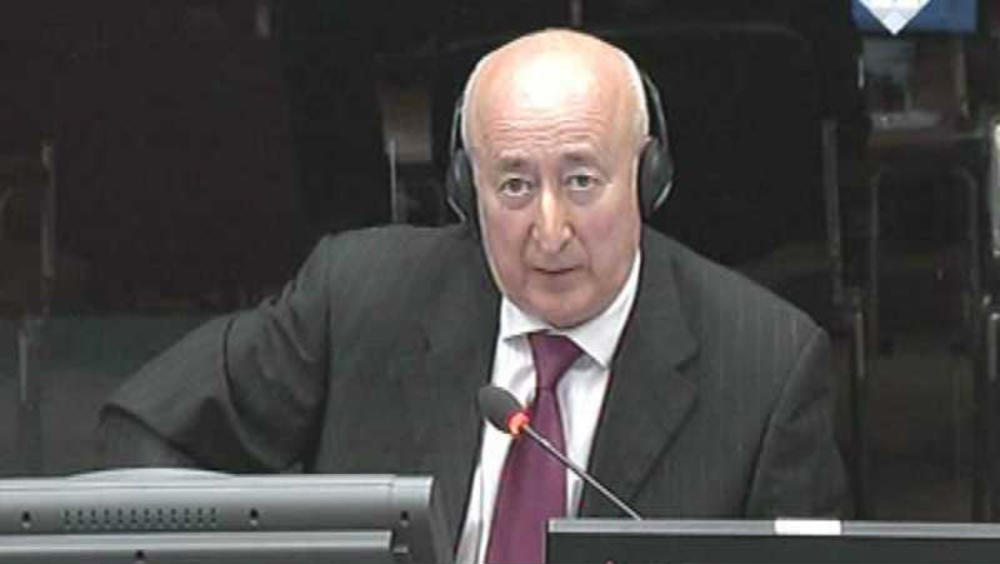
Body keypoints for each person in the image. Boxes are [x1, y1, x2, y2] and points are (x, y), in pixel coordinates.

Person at [100, 29, 849, 564]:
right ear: (466, 191)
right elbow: (149, 427)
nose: (549, 230)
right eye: (515, 185)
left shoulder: (766, 365)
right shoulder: (360, 294)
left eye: (581, 181)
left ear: (647, 178)